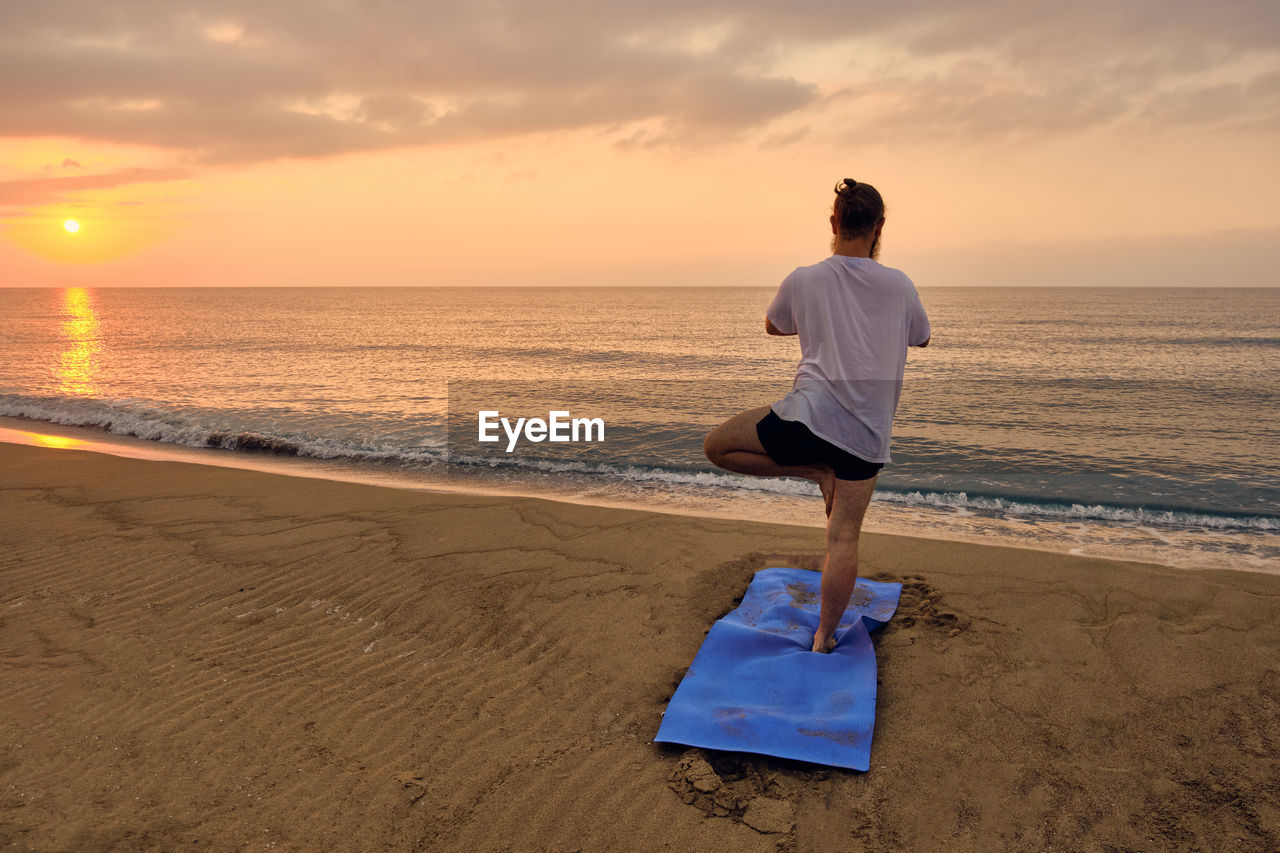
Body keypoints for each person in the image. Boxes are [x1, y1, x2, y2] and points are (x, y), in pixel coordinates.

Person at [703, 178, 931, 653]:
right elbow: (921, 337)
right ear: (879, 227)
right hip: (868, 435)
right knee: (843, 538)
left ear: (834, 223)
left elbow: (773, 325)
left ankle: (813, 469)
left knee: (717, 446)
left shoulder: (804, 278)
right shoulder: (900, 285)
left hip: (808, 420)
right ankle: (823, 638)